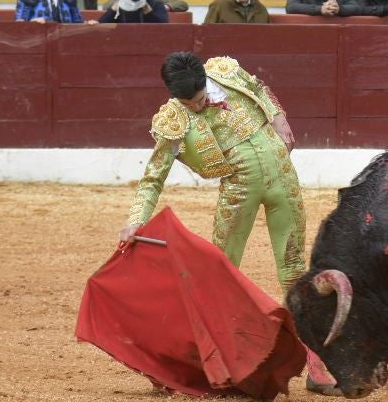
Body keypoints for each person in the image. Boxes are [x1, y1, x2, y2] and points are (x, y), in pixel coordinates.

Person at [120, 51, 305, 312]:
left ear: (204, 81)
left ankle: (305, 336)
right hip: (240, 189)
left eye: (199, 99)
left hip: (284, 177)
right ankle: (222, 332)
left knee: (293, 262)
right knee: (223, 265)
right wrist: (136, 220)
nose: (196, 107)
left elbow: (260, 88)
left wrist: (278, 116)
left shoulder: (227, 72)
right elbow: (153, 177)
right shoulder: (173, 120)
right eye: (188, 104)